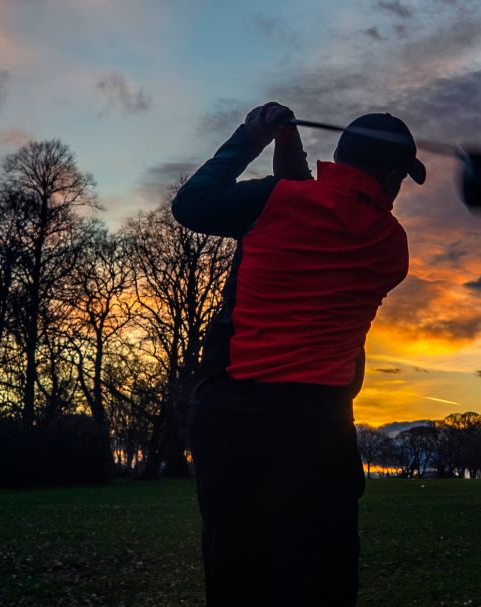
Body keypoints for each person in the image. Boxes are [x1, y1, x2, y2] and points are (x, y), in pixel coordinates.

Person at [171, 101, 425, 606]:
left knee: (237, 573)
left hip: (227, 417)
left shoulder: (275, 201)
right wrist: (288, 153)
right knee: (318, 579)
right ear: (392, 178)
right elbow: (314, 205)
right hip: (315, 427)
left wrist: (251, 138)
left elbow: (192, 204)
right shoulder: (390, 246)